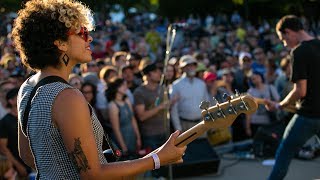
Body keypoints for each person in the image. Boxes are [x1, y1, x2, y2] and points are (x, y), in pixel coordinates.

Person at [12, 0, 186, 179]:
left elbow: (27, 154)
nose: (90, 38)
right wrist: (157, 159)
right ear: (60, 44)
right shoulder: (67, 97)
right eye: (82, 33)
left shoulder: (27, 87)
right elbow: (92, 175)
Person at [265, 15, 320, 180]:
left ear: (289, 32)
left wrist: (281, 104)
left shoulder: (299, 51)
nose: (284, 43)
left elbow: (300, 91)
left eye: (283, 39)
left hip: (308, 116)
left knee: (284, 153)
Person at [106, 77, 141, 159]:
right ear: (116, 88)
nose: (126, 87)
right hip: (122, 138)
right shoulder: (112, 106)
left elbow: (133, 119)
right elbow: (116, 129)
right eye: (123, 85)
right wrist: (123, 147)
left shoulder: (127, 100)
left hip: (131, 135)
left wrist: (138, 137)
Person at [0, 88, 30, 178]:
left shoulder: (28, 118)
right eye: (19, 96)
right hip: (16, 170)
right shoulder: (4, 122)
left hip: (33, 166)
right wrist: (18, 166)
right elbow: (3, 148)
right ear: (11, 101)